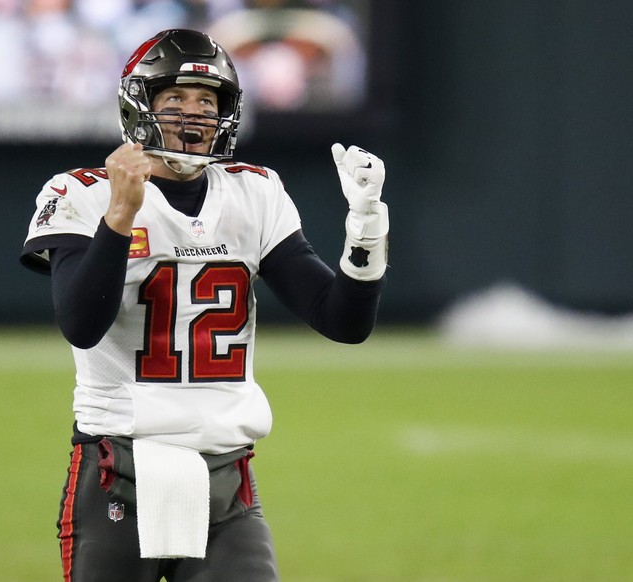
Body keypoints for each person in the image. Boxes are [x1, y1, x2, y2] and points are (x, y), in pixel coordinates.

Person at [20, 28, 389, 582]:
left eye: (207, 101)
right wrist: (119, 216)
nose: (193, 115)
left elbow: (341, 321)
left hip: (226, 476)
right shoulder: (80, 192)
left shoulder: (254, 191)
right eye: (174, 100)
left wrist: (365, 233)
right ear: (139, 106)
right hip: (118, 468)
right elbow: (81, 324)